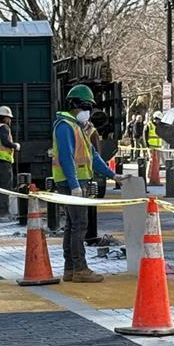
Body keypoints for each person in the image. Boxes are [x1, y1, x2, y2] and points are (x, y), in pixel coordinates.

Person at [51, 85, 125, 283]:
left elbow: (93, 155)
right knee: (79, 225)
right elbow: (66, 157)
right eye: (87, 107)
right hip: (71, 183)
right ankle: (80, 268)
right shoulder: (65, 126)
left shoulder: (76, 127)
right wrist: (75, 185)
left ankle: (70, 269)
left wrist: (113, 175)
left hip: (75, 181)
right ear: (78, 105)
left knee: (72, 225)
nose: (89, 112)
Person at [0, 106, 20, 221]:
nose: (10, 120)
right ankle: (4, 213)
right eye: (9, 118)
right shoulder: (3, 128)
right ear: (5, 118)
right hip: (2, 162)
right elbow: (5, 141)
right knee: (5, 188)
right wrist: (15, 145)